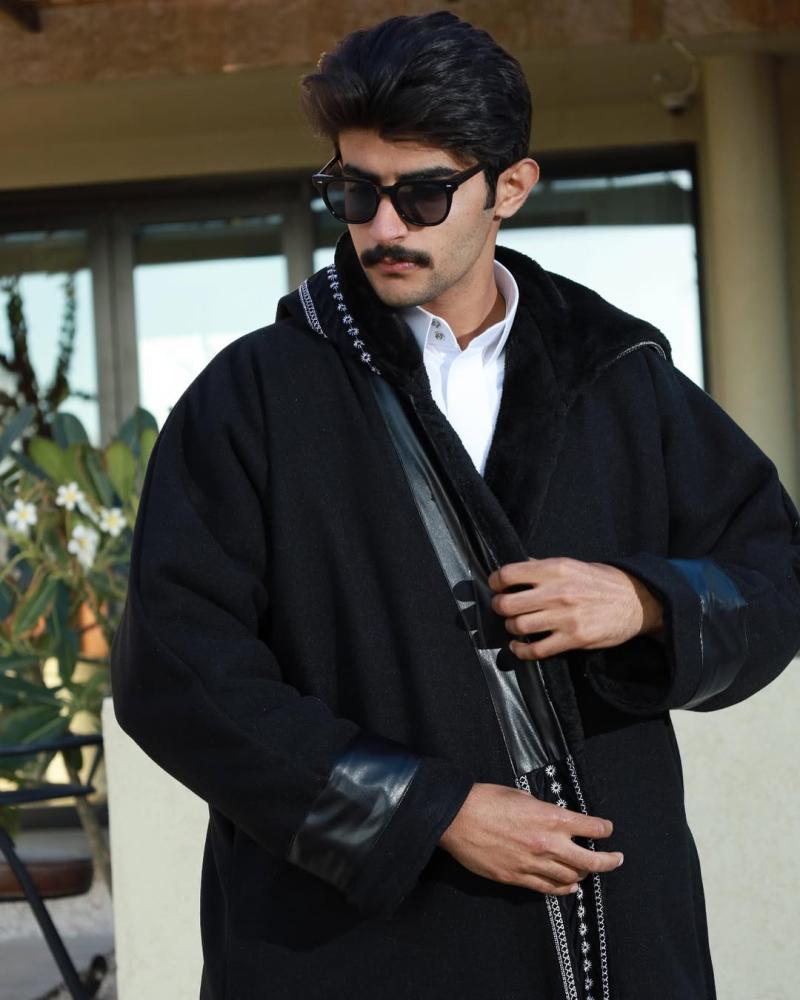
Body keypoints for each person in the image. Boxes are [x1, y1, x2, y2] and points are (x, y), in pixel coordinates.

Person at [110, 11, 800, 1000]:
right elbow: (177, 674)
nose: (384, 226)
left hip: (612, 932)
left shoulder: (617, 374)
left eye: (423, 193)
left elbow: (775, 572)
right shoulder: (252, 397)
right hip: (354, 946)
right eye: (355, 191)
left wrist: (646, 602)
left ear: (509, 188)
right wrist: (426, 811)